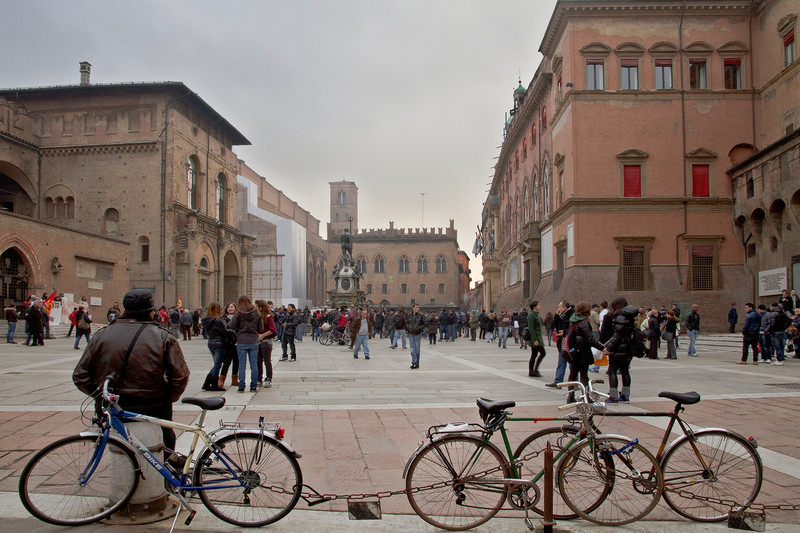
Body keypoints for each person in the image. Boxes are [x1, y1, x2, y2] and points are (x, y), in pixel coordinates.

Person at [73, 289, 189, 453]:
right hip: (153, 405)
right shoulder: (163, 336)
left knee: (121, 449)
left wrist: (102, 395)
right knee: (165, 446)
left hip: (115, 405)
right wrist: (167, 397)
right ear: (150, 312)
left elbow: (80, 375)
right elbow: (181, 376)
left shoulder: (102, 335)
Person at [563, 301, 606, 403]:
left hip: (574, 351)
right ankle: (586, 396)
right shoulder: (584, 321)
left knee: (573, 374)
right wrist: (602, 348)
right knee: (584, 375)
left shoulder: (573, 319)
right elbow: (590, 339)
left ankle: (570, 396)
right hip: (582, 351)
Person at [602, 298, 637, 403]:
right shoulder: (630, 317)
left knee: (612, 370)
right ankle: (625, 395)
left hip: (617, 348)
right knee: (625, 370)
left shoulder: (618, 317)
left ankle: (613, 396)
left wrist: (609, 347)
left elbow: (617, 336)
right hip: (627, 348)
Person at [229, 296, 264, 392]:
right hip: (253, 341)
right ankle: (253, 385)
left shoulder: (238, 313)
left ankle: (241, 385)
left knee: (242, 364)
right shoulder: (257, 313)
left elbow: (232, 326)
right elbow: (261, 329)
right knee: (254, 364)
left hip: (241, 341)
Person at [199, 302, 227, 391]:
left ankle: (206, 383)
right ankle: (214, 385)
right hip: (219, 344)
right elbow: (224, 332)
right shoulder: (218, 321)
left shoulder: (206, 321)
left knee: (216, 364)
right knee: (217, 365)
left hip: (211, 343)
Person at [545, 302, 573, 388]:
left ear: (565, 307)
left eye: (559, 307)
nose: (558, 309)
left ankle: (574, 381)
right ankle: (558, 381)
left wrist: (565, 332)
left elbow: (573, 329)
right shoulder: (561, 316)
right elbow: (553, 325)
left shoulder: (571, 315)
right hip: (562, 342)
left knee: (572, 364)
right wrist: (556, 316)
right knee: (561, 362)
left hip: (570, 343)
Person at [255, 299, 277, 387]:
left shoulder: (268, 317)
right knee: (258, 361)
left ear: (260, 308)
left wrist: (262, 335)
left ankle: (268, 378)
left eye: (256, 306)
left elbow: (272, 330)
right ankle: (258, 379)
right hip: (257, 342)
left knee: (267, 360)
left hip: (266, 341)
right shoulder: (256, 317)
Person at [218, 302, 239, 388]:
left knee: (236, 362)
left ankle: (234, 379)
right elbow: (225, 329)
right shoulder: (224, 319)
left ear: (235, 308)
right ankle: (221, 379)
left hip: (237, 343)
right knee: (227, 362)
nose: (230, 308)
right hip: (228, 343)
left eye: (232, 307)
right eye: (228, 307)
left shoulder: (238, 318)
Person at [406, 303, 427, 369]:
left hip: (418, 333)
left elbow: (425, 323)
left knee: (417, 349)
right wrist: (408, 328)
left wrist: (419, 328)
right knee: (412, 349)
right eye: (416, 307)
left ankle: (417, 363)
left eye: (418, 307)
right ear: (413, 308)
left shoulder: (421, 315)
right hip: (411, 333)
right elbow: (406, 323)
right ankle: (414, 362)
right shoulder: (409, 315)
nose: (418, 308)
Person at [527, 300, 545, 377]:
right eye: (538, 305)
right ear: (534, 307)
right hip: (535, 338)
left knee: (534, 355)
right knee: (543, 353)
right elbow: (531, 328)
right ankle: (535, 370)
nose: (540, 306)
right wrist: (535, 340)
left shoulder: (536, 314)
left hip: (537, 337)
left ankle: (532, 371)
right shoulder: (531, 315)